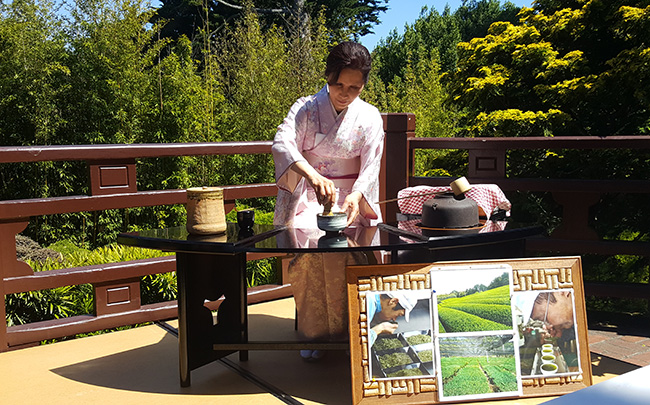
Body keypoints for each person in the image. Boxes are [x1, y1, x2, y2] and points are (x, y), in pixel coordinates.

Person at [272, 42, 384, 361]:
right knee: (307, 249)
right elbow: (283, 144)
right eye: (338, 85)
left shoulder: (370, 117)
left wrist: (358, 194)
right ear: (327, 76)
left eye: (354, 87)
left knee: (358, 249)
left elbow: (371, 164)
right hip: (308, 198)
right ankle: (315, 330)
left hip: (350, 200)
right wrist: (311, 175)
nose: (345, 93)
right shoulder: (306, 109)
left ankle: (356, 329)